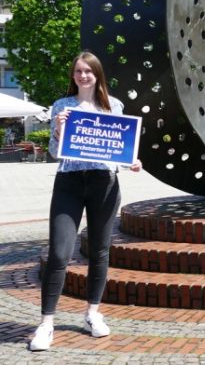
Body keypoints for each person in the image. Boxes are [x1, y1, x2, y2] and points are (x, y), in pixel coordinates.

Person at [29, 52, 142, 351]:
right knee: (59, 252)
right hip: (69, 182)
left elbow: (123, 146)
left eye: (88, 71)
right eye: (78, 71)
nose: (82, 76)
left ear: (97, 74)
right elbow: (55, 152)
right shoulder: (62, 106)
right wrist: (57, 128)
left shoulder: (114, 106)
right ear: (73, 75)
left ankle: (92, 313)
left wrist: (133, 161)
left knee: (100, 251)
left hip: (104, 184)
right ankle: (46, 324)